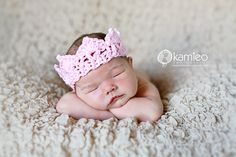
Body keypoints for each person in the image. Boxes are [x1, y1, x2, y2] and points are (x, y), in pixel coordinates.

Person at [54, 28, 163, 122]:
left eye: (117, 74)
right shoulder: (77, 94)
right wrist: (107, 115)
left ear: (130, 65)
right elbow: (63, 106)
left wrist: (108, 110)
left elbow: (152, 112)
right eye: (93, 88)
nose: (108, 88)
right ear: (76, 92)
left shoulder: (142, 85)